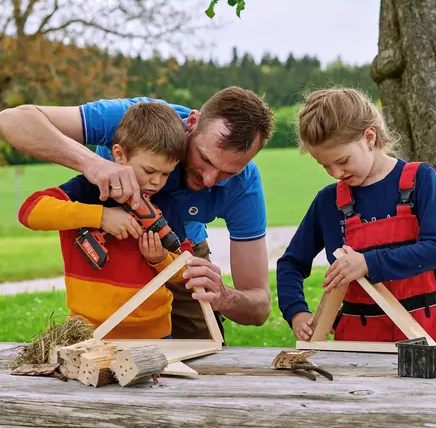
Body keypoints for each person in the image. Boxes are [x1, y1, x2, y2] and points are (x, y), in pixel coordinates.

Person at [0, 87, 275, 339]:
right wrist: (93, 165)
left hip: (176, 247)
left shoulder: (245, 185)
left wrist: (224, 296)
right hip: (111, 241)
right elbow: (12, 120)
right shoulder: (140, 121)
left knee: (200, 350)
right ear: (191, 124)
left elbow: (259, 306)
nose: (208, 180)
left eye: (228, 172)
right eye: (204, 159)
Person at [276, 87, 436, 343]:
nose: (336, 173)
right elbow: (290, 264)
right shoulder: (328, 202)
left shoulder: (419, 180)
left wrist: (368, 263)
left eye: (342, 160)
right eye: (324, 165)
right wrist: (296, 312)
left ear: (369, 137)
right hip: (357, 344)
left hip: (426, 336)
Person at [18, 102, 193, 339]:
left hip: (154, 335)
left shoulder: (166, 206)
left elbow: (184, 274)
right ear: (119, 155)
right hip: (88, 333)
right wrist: (101, 216)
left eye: (166, 174)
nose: (156, 182)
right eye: (149, 171)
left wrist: (160, 259)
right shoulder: (86, 190)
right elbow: (30, 212)